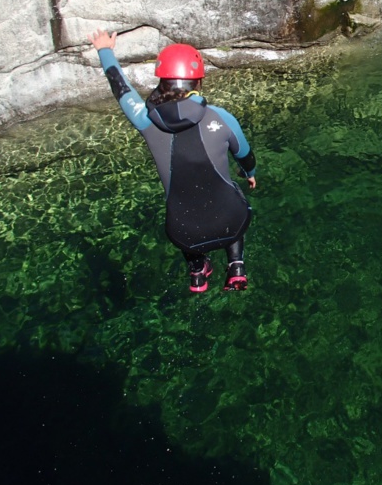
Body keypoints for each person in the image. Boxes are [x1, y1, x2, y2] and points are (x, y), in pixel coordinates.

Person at [89, 29, 257, 293]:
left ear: (161, 82)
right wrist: (249, 172)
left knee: (182, 212)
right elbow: (245, 154)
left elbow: (121, 89)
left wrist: (105, 50)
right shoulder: (221, 117)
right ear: (198, 83)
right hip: (231, 224)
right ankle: (236, 265)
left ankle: (198, 273)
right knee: (233, 195)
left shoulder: (145, 120)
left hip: (184, 235)